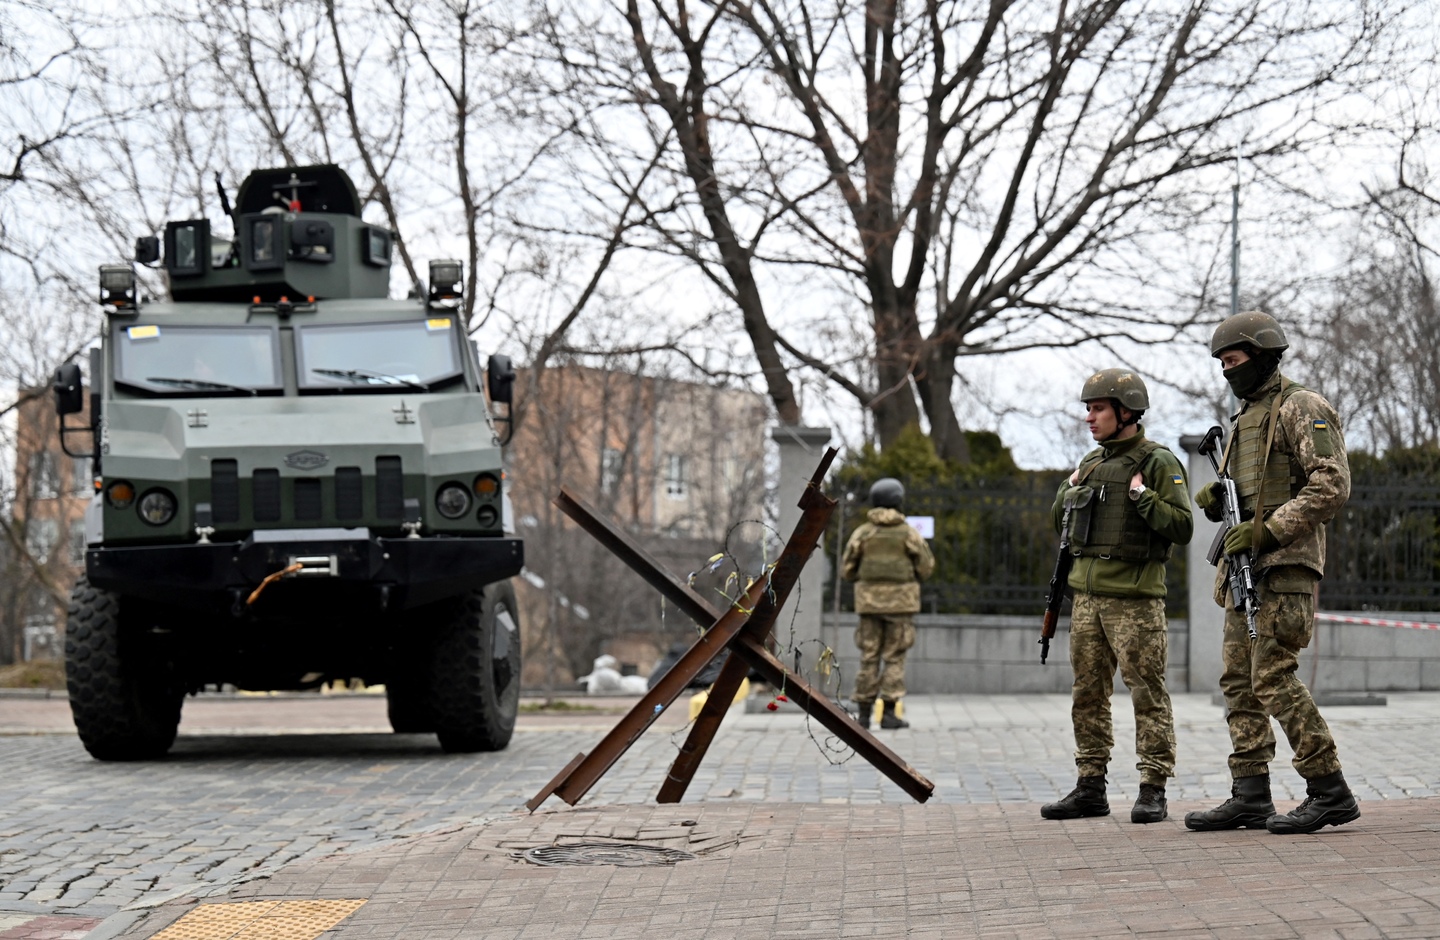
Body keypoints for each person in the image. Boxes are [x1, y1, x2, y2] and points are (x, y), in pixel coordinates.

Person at [1184, 311, 1359, 835]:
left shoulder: (1300, 406)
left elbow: (1331, 483)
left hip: (1283, 569)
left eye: (1233, 362)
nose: (1226, 372)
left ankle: (1330, 789)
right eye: (1221, 364)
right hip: (1245, 572)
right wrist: (1219, 501)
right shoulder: (1243, 419)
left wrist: (1268, 531)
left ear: (1262, 357)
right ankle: (1250, 794)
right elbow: (1249, 498)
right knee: (1238, 683)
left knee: (1272, 677)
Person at [1042, 369, 1192, 824]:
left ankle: (1153, 788)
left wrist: (1143, 498)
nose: (1090, 417)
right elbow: (1059, 526)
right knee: (1087, 693)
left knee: (1147, 692)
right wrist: (1068, 489)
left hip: (1135, 601)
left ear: (1126, 412)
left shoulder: (1158, 462)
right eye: (1088, 409)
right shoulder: (1089, 463)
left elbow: (1182, 527)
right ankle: (1090, 785)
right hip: (1086, 599)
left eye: (1098, 408)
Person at [842, 477, 935, 730]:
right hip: (901, 606)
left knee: (869, 657)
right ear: (899, 501)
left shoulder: (863, 533)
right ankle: (890, 714)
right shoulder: (908, 533)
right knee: (894, 658)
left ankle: (863, 715)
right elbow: (926, 568)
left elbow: (847, 570)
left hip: (869, 605)